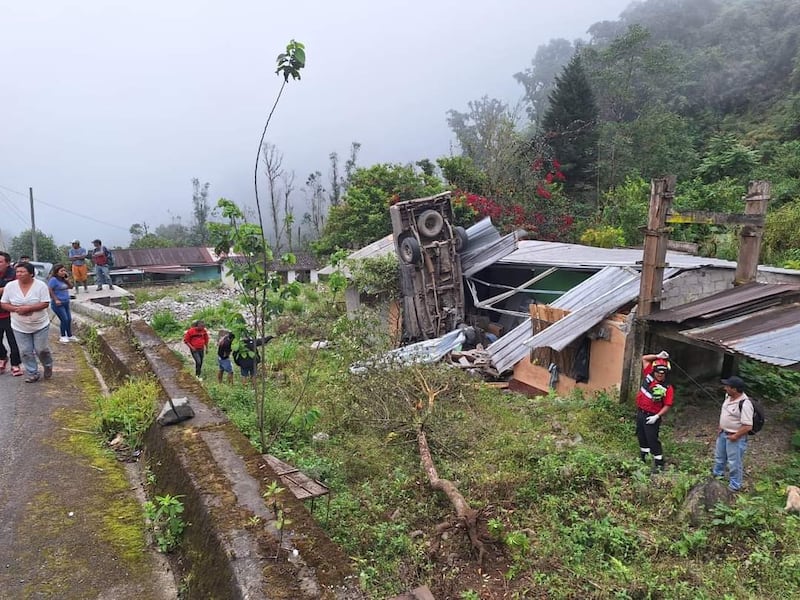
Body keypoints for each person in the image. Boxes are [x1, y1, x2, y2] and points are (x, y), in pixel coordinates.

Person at [0, 261, 53, 383]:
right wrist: (16, 309)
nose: (19, 274)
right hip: (19, 325)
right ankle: (32, 373)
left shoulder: (41, 286)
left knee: (41, 349)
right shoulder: (10, 286)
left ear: (31, 273)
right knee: (25, 351)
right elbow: (3, 303)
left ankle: (48, 365)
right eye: (17, 271)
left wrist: (29, 308)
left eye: (22, 271)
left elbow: (45, 302)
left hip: (40, 324)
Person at [634, 350, 674, 472]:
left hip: (652, 416)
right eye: (658, 372)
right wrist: (658, 356)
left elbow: (667, 405)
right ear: (654, 371)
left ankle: (659, 462)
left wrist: (657, 416)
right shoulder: (648, 375)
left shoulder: (667, 387)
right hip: (641, 412)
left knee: (652, 439)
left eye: (662, 373)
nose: (660, 375)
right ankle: (644, 457)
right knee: (641, 436)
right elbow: (644, 358)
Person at [713, 375, 753, 493]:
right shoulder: (728, 397)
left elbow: (747, 426)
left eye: (727, 386)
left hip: (736, 437)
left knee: (734, 462)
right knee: (719, 457)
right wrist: (721, 426)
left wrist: (736, 436)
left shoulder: (745, 404)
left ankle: (735, 485)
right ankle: (717, 476)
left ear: (734, 389)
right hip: (723, 434)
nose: (725, 388)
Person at [0, 252, 23, 376]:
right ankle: (2, 358)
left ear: (8, 263)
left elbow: (17, 288)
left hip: (11, 313)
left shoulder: (14, 274)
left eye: (0, 262)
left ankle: (15, 364)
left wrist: (4, 289)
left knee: (13, 340)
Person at [48, 264, 77, 343]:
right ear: (57, 272)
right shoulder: (53, 280)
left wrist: (67, 280)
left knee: (69, 319)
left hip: (66, 302)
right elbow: (50, 290)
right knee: (64, 319)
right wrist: (56, 299)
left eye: (64, 270)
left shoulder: (63, 280)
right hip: (58, 303)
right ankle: (63, 335)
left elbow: (71, 287)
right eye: (61, 271)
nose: (63, 272)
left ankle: (70, 335)